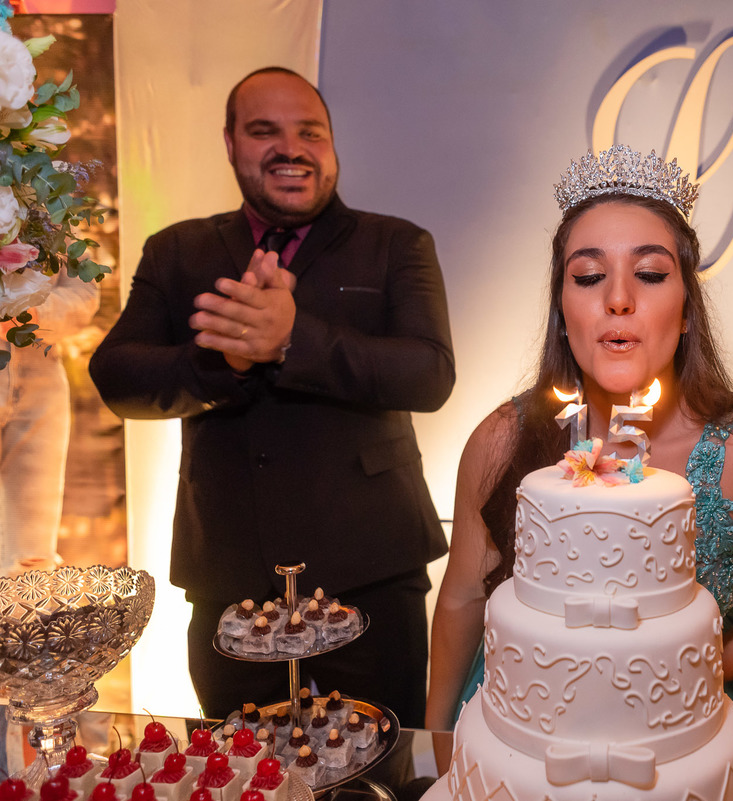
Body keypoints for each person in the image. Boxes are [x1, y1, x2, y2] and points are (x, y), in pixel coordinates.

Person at [426, 145, 733, 754]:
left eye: (649, 274)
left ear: (687, 311)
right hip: (524, 724)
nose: (618, 298)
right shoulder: (501, 440)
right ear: (562, 312)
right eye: (589, 277)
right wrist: (435, 738)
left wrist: (678, 676)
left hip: (695, 731)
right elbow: (463, 594)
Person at [89, 67, 455, 726]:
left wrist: (294, 340)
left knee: (380, 770)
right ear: (230, 143)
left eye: (309, 131)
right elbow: (117, 376)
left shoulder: (396, 244)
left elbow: (429, 373)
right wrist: (222, 361)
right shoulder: (178, 249)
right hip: (228, 576)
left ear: (332, 145)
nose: (291, 148)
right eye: (264, 131)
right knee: (241, 772)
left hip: (372, 570)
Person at [1, 272, 99, 574]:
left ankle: (25, 619)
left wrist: (28, 314)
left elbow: (84, 294)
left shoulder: (51, 223)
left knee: (32, 557)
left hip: (39, 382)